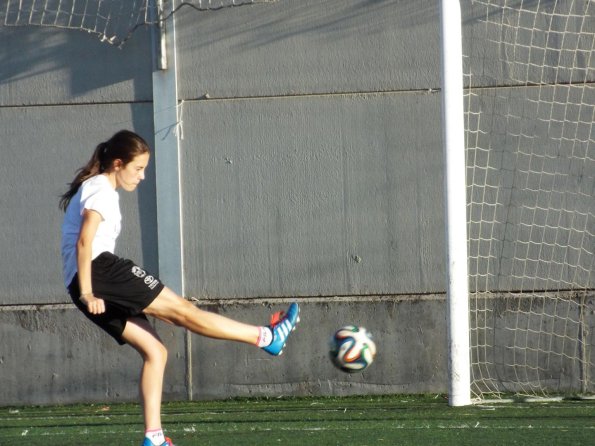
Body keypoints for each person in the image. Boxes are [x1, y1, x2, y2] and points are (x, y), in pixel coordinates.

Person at [60, 130, 299, 446]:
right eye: (138, 169)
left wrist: (85, 291)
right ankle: (267, 337)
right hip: (99, 273)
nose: (142, 177)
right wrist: (90, 291)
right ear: (117, 163)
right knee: (185, 312)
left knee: (156, 352)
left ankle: (154, 438)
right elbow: (84, 241)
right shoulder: (101, 189)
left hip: (82, 282)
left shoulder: (99, 188)